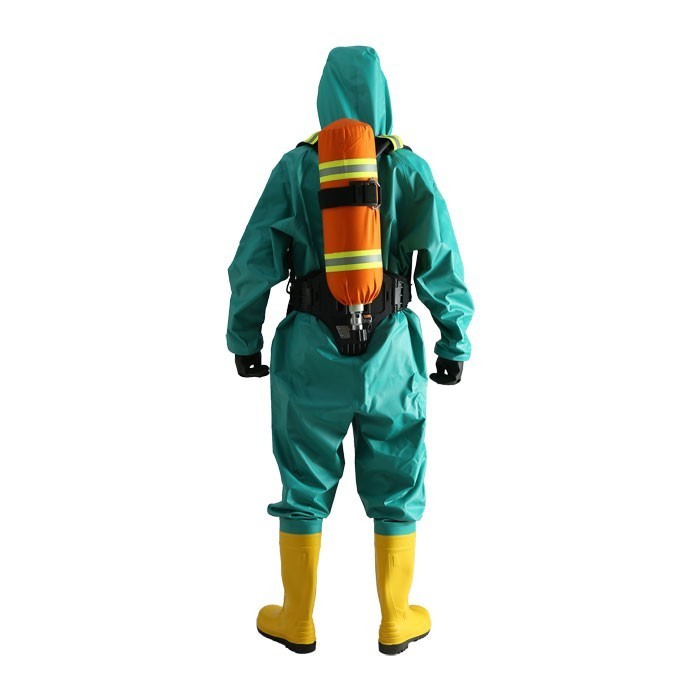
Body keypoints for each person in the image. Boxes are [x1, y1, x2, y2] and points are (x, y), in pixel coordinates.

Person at [227, 46, 474, 655]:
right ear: (383, 98)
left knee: (303, 480)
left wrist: (244, 337)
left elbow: (253, 261)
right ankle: (395, 618)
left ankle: (297, 618)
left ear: (324, 99)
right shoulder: (408, 168)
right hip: (392, 347)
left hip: (308, 346)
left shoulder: (296, 167)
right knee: (397, 474)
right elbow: (441, 259)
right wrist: (454, 340)